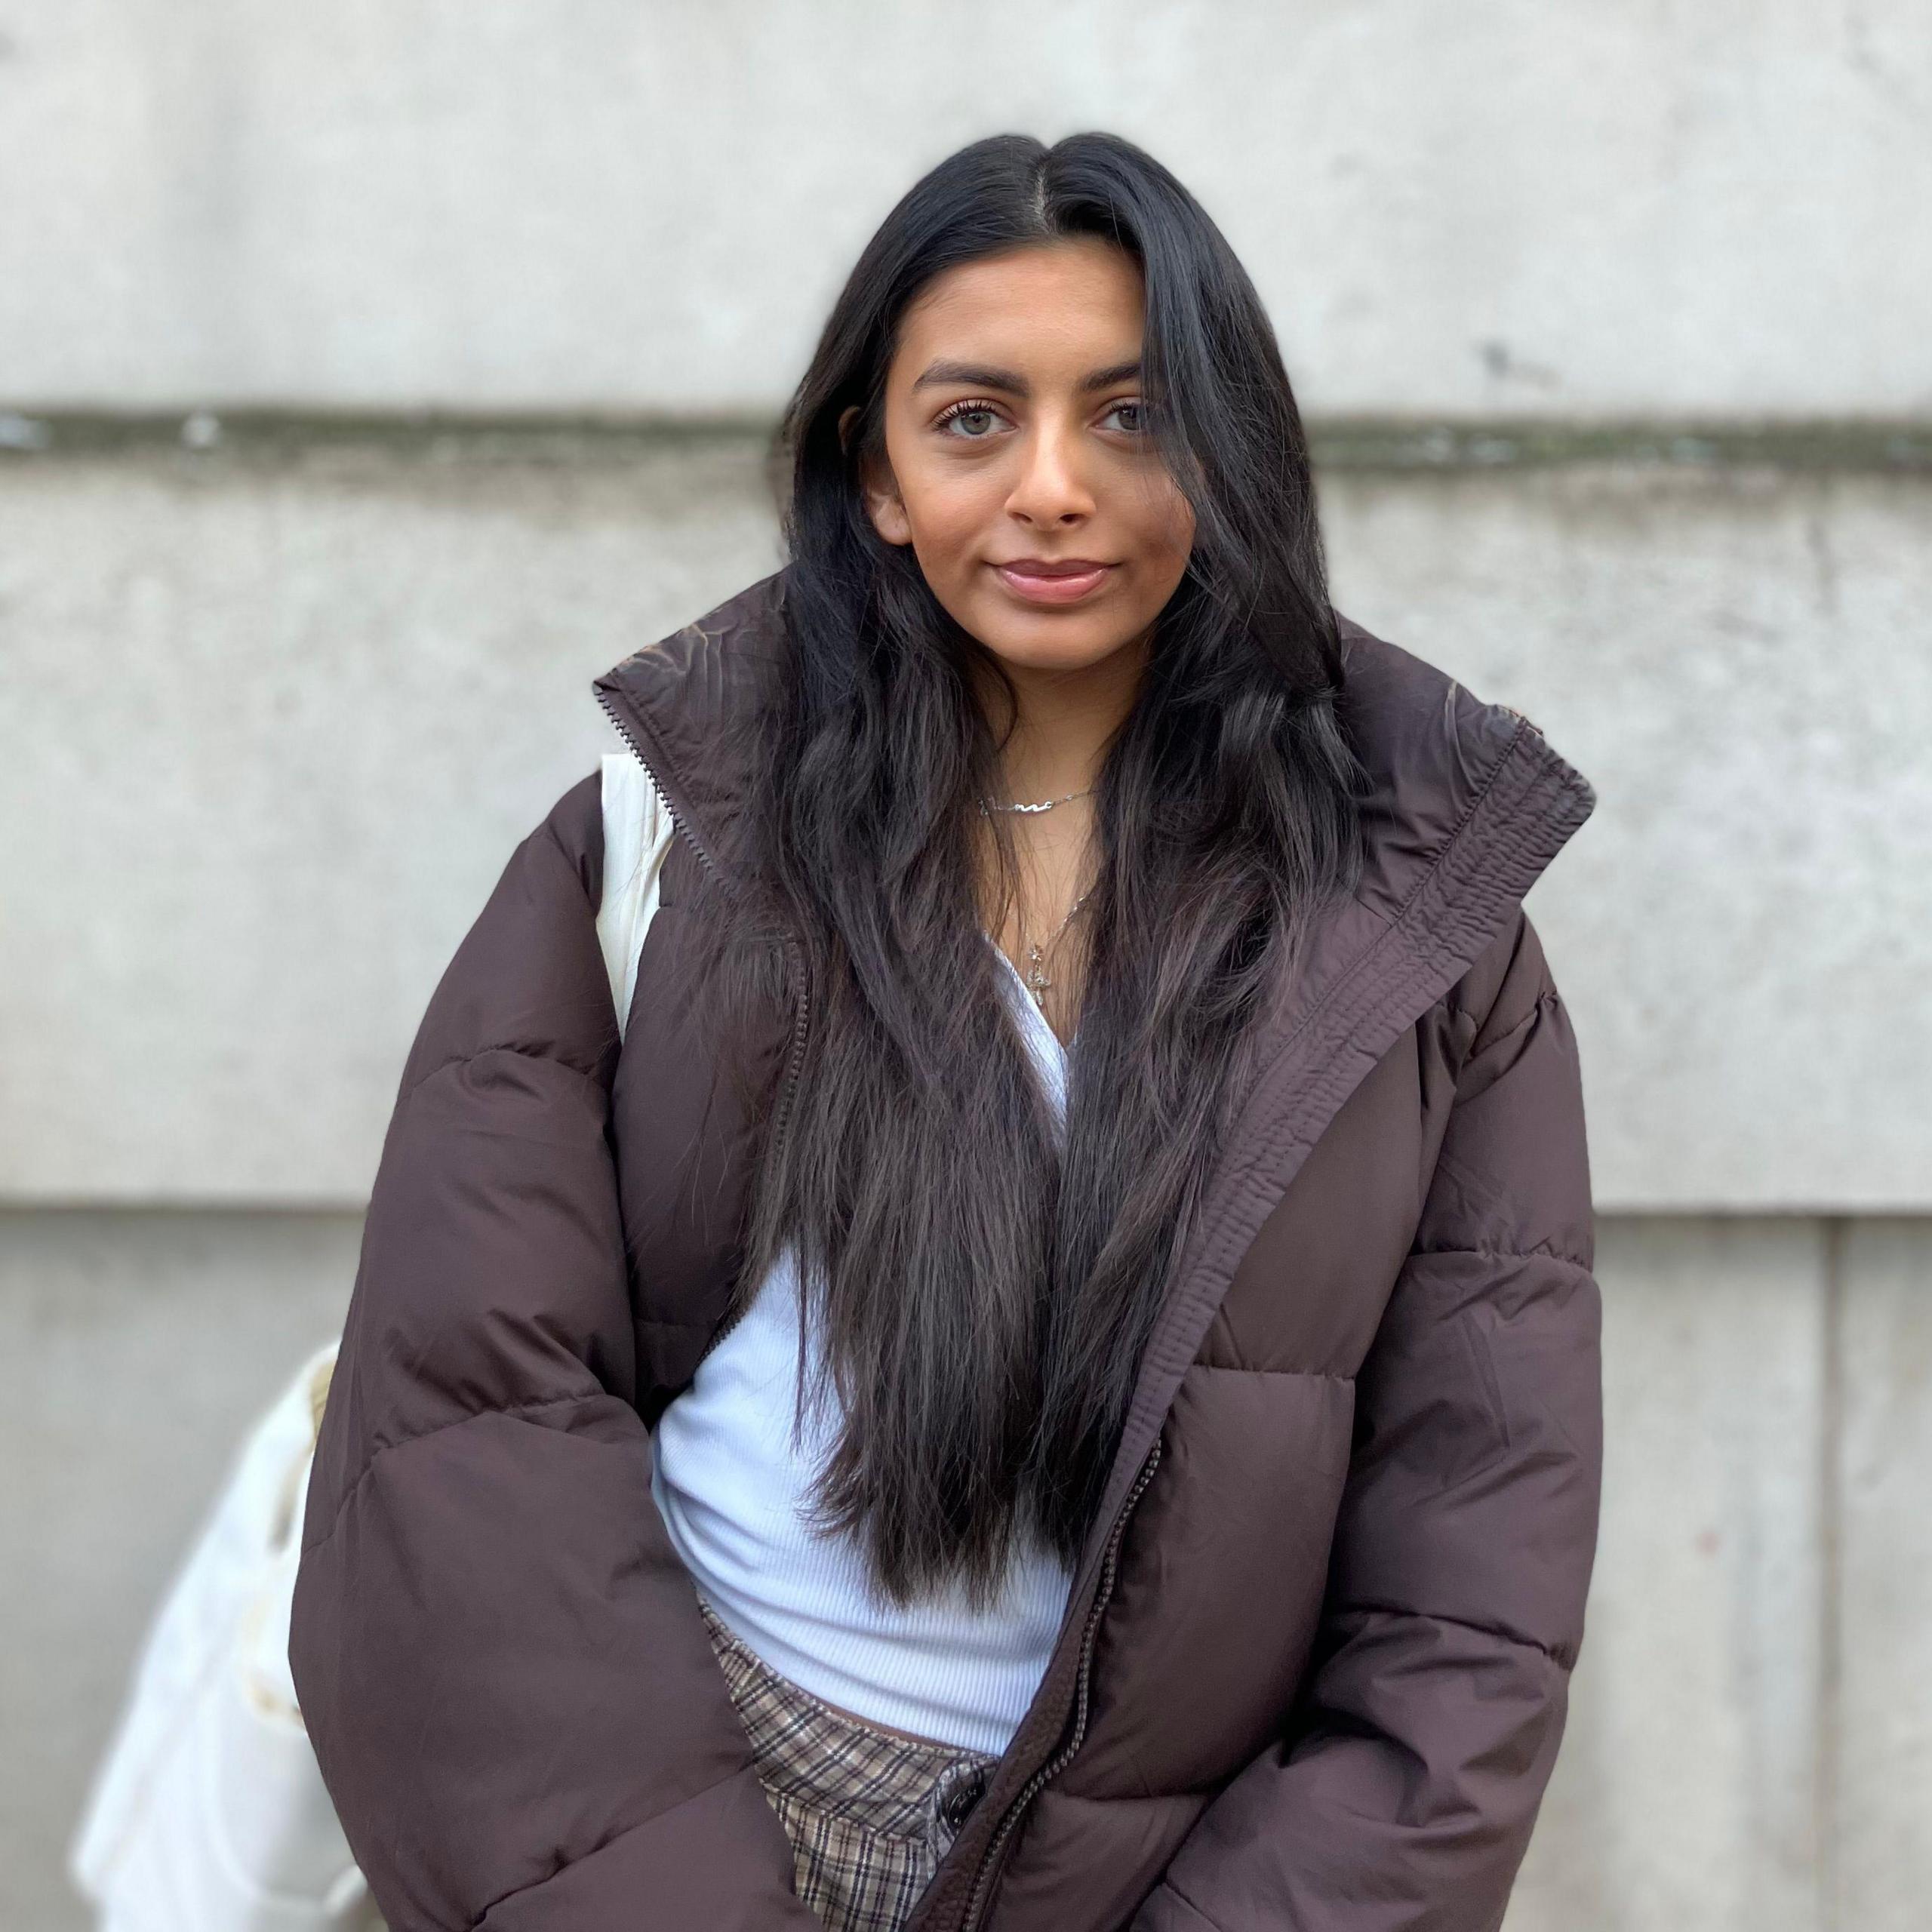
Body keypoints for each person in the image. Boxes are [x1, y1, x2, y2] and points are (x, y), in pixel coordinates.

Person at [290, 131, 1602, 1932]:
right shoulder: (665, 842)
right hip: (669, 1808)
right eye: (974, 418)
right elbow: (464, 1436)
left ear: (1227, 456)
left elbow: (1469, 1605)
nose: (1053, 486)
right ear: (880, 474)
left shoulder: (1422, 937)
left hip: (1143, 1871)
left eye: (1133, 417)